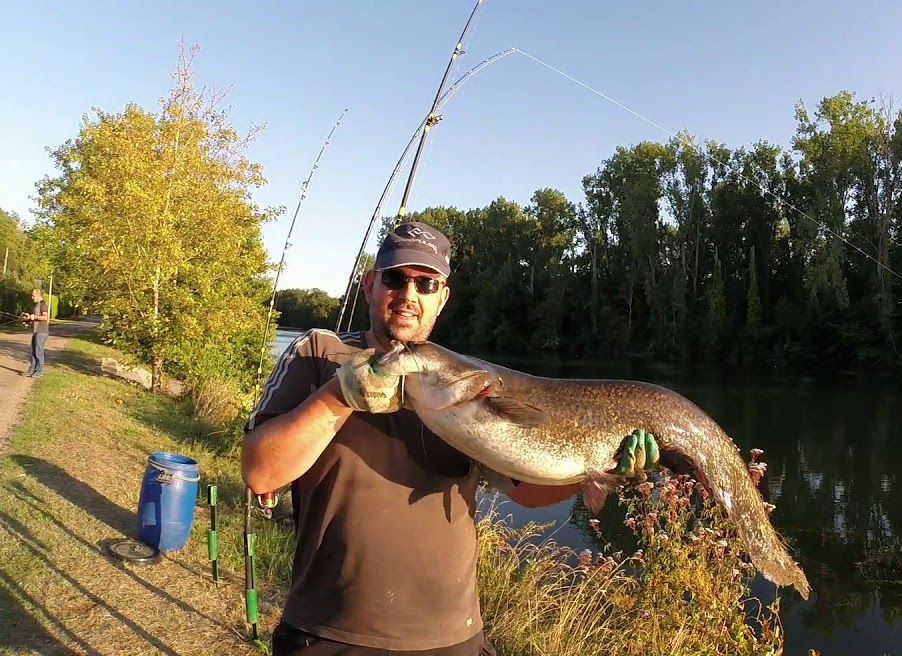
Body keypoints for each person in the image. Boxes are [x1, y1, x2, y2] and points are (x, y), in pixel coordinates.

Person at [241, 221, 659, 656]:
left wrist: (598, 466)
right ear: (369, 285)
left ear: (442, 298)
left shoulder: (470, 381)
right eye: (395, 278)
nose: (409, 295)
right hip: (329, 634)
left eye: (425, 284)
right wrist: (338, 396)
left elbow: (525, 490)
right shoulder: (319, 353)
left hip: (451, 638)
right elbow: (259, 471)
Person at [21, 287, 50, 378]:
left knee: (38, 352)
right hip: (36, 331)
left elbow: (45, 318)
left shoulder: (43, 304)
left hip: (41, 332)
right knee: (33, 351)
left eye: (33, 296)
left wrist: (34, 317)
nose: (32, 297)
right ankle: (31, 370)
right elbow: (35, 318)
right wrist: (28, 319)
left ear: (38, 295)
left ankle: (39, 371)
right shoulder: (37, 305)